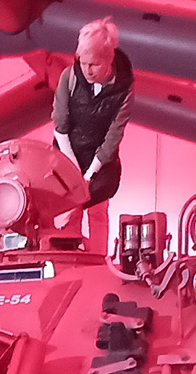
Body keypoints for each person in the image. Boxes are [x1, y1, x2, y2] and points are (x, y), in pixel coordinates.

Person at [53, 17, 133, 257]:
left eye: (94, 64)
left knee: (98, 211)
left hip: (101, 161)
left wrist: (89, 174)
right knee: (69, 213)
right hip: (68, 154)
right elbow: (60, 127)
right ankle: (68, 260)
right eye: (83, 62)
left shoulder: (124, 89)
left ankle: (97, 261)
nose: (87, 70)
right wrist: (74, 171)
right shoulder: (69, 78)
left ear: (109, 59)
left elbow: (113, 135)